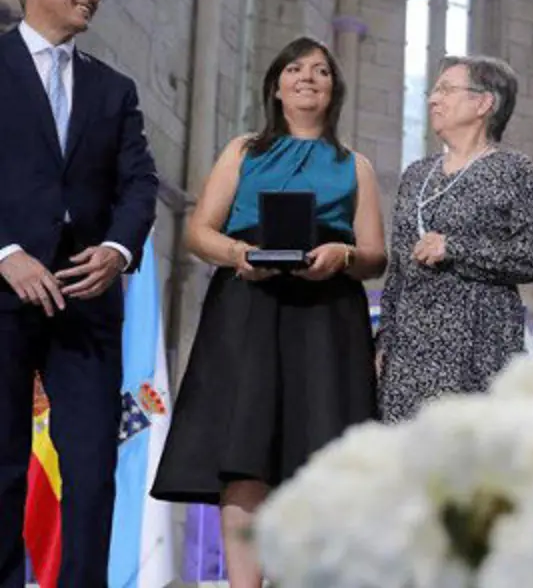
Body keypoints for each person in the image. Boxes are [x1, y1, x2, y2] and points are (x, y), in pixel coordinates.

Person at [150, 37, 386, 587]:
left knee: (321, 450)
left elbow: (376, 256)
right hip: (248, 306)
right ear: (276, 87)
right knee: (246, 449)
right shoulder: (243, 151)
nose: (308, 78)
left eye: (321, 71)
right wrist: (240, 254)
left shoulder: (356, 166)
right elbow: (198, 232)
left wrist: (343, 255)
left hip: (327, 314)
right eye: (295, 69)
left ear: (334, 91)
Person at [0, 0, 158, 588]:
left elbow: (140, 183)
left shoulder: (113, 89)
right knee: (2, 464)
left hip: (88, 298)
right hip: (4, 291)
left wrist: (118, 250)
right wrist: (6, 252)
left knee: (93, 468)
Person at [377, 55, 533, 422]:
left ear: (484, 103)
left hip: (479, 345)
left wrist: (454, 249)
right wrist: (384, 342)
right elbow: (398, 270)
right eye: (433, 91)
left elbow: (531, 257)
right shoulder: (416, 174)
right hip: (409, 354)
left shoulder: (515, 171)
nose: (433, 99)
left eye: (446, 90)